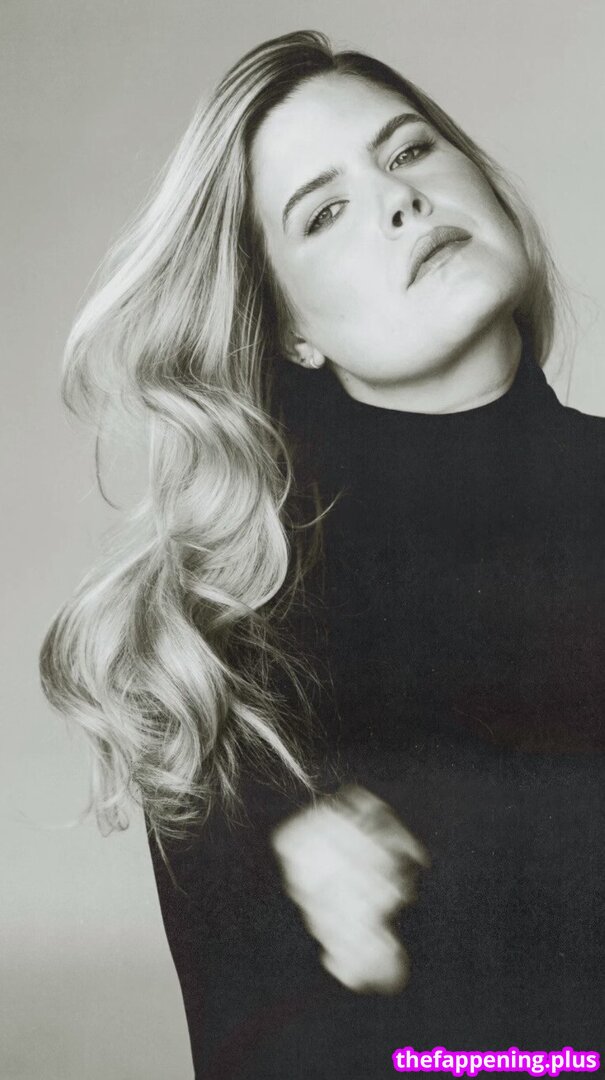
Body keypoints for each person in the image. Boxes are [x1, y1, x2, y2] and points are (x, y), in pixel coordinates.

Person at [40, 29, 604, 1079]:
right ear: (289, 329)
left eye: (409, 150)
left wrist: (445, 844)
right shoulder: (227, 639)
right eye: (324, 212)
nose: (400, 200)